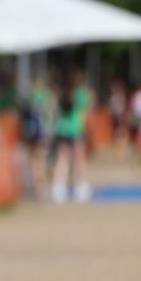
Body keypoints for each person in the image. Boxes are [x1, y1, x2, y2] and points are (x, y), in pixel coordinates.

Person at [50, 68, 92, 203]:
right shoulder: (79, 93)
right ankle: (81, 188)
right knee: (79, 159)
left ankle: (58, 188)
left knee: (62, 159)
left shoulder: (60, 93)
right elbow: (86, 108)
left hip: (62, 130)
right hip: (75, 130)